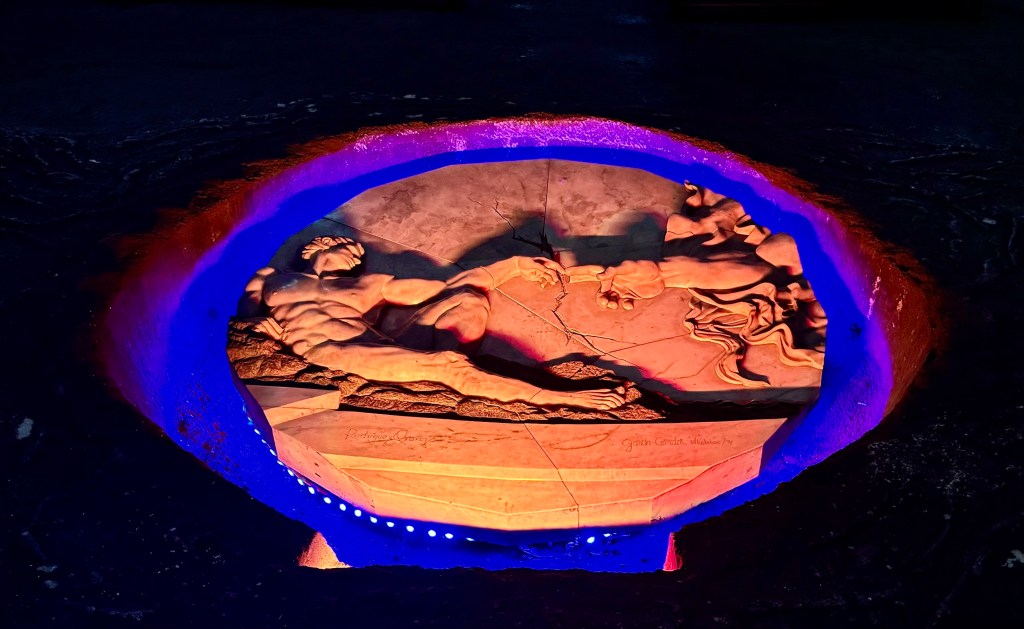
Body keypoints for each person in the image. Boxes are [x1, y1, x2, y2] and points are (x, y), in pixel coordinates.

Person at [240, 236, 625, 410]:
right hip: (325, 351)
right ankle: (558, 399)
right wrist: (257, 331)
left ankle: (454, 375)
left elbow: (445, 287)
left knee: (467, 299)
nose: (357, 257)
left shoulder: (371, 285)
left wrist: (512, 266)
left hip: (379, 346)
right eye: (349, 249)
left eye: (358, 255)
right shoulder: (273, 278)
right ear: (321, 246)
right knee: (447, 363)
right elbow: (241, 321)